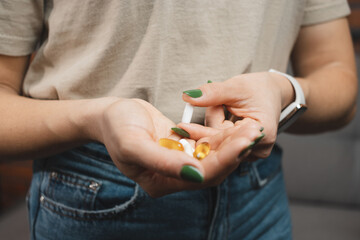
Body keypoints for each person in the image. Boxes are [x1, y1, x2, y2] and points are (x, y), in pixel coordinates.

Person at [0, 1, 357, 239]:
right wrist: (99, 118)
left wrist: (281, 90)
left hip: (257, 200)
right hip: (98, 195)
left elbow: (338, 79)